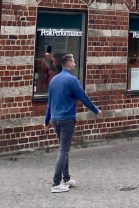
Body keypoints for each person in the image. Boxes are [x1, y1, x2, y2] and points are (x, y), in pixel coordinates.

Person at [45, 53, 101, 193]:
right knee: (64, 150)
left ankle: (66, 178)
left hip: (55, 119)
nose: (75, 64)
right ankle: (56, 183)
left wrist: (47, 120)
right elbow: (83, 97)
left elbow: (49, 103)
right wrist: (95, 110)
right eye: (74, 62)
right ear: (69, 63)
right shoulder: (72, 80)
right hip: (67, 118)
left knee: (64, 148)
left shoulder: (54, 80)